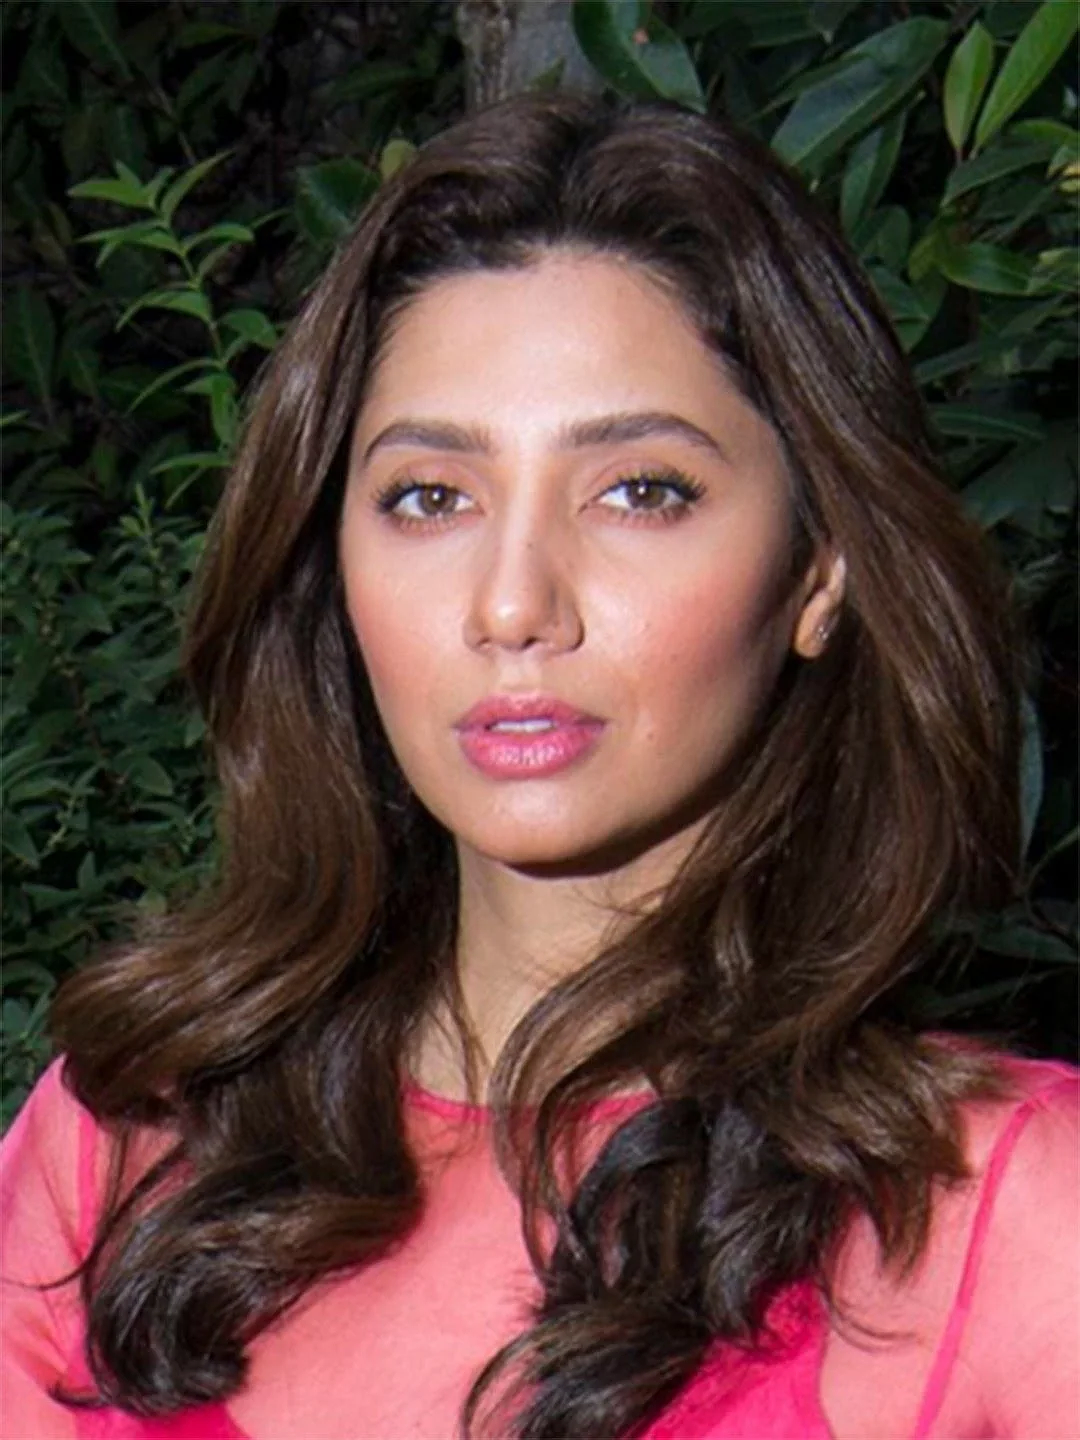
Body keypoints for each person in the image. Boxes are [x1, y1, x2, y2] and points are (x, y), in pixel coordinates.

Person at [1, 91, 1077, 1440]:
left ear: (819, 572)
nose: (512, 602)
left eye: (640, 489)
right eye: (430, 497)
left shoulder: (1004, 1215)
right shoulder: (128, 1145)